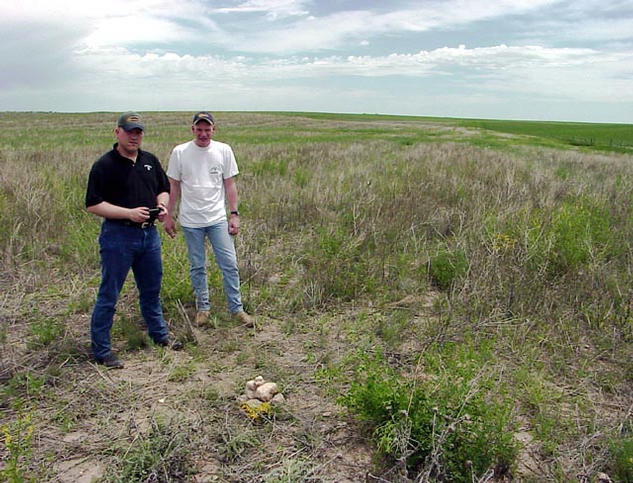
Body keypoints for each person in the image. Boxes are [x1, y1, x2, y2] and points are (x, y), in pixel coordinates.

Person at [85, 112, 180, 369]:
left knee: (151, 289)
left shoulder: (149, 160)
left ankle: (159, 336)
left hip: (149, 236)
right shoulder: (105, 165)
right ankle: (102, 350)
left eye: (138, 132)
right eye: (130, 131)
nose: (134, 136)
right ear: (117, 132)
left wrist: (161, 205)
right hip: (118, 236)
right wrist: (129, 214)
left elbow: (163, 187)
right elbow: (93, 204)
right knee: (109, 293)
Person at [164, 111, 254, 327]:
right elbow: (173, 186)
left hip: (217, 219)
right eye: (199, 129)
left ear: (214, 129)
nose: (203, 134)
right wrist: (168, 215)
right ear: (192, 129)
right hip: (190, 220)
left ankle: (237, 309)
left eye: (207, 129)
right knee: (197, 266)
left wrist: (234, 214)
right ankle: (203, 308)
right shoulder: (180, 152)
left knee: (229, 264)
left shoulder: (223, 150)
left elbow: (229, 184)